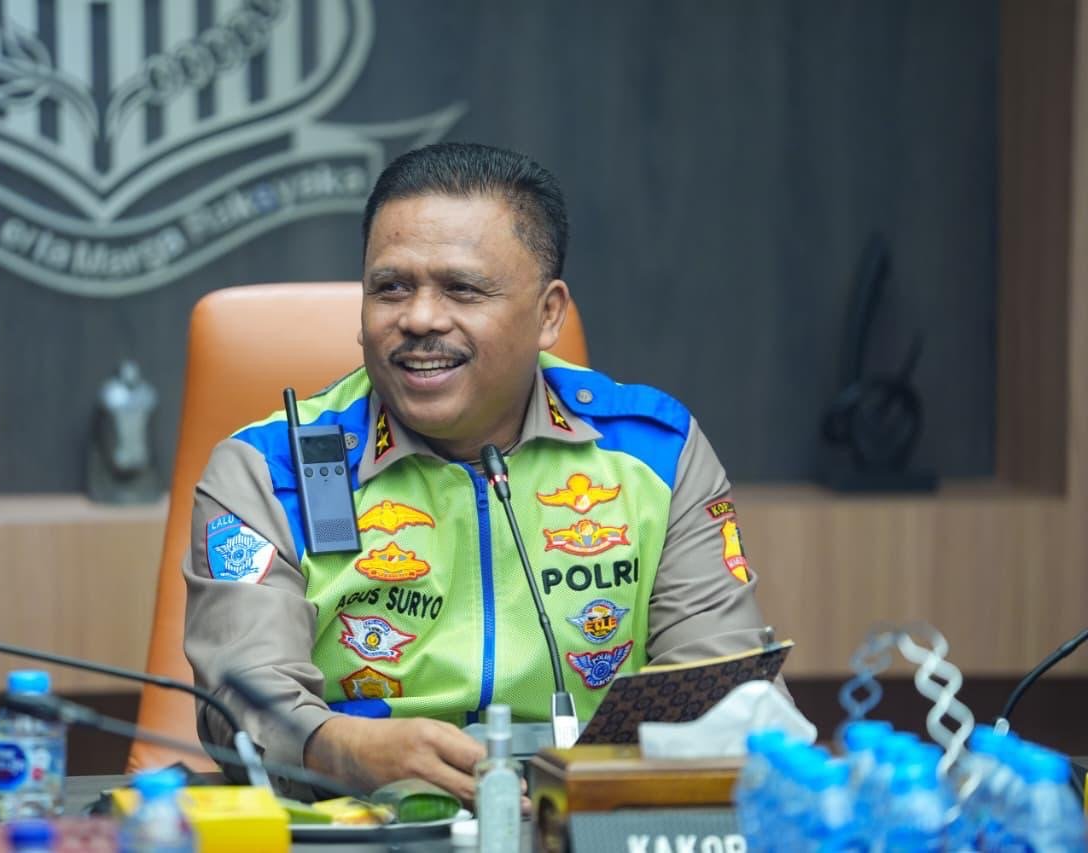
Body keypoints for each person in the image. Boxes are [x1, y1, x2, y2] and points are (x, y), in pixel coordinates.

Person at [183, 142, 775, 804]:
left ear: (548, 314)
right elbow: (243, 699)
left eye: (462, 289)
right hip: (364, 825)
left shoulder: (654, 452)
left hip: (581, 817)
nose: (420, 318)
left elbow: (723, 692)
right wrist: (347, 750)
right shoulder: (268, 472)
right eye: (390, 287)